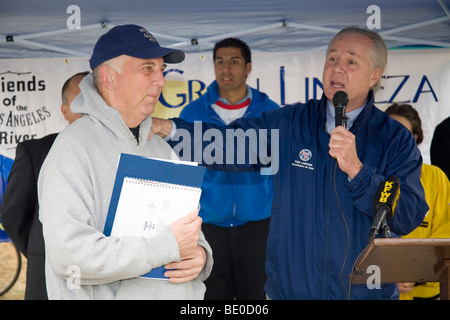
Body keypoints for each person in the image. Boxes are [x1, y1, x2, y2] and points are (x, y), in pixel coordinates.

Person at [151, 26, 428, 299]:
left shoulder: (394, 139)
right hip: (291, 293)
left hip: (366, 295)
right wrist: (168, 128)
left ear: (374, 76)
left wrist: (358, 170)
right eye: (332, 58)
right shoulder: (292, 124)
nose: (337, 68)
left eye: (351, 61)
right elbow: (228, 144)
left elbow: (408, 214)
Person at [37, 24, 212, 300]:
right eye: (147, 69)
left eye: (162, 70)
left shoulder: (162, 148)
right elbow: (70, 257)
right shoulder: (71, 150)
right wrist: (164, 247)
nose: (161, 81)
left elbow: (188, 230)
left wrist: (201, 256)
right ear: (108, 77)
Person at [179, 38, 279, 300]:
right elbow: (185, 173)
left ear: (248, 67)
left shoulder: (270, 112)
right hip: (207, 226)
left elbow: (276, 170)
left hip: (257, 226)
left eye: (234, 61)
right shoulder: (191, 113)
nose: (226, 68)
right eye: (220, 62)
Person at [0, 71, 87, 299]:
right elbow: (13, 216)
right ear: (64, 112)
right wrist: (43, 250)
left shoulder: (122, 152)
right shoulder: (35, 152)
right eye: (80, 103)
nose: (88, 110)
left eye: (96, 102)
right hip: (48, 280)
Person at [385, 103, 450, 300]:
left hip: (425, 291)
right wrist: (389, 275)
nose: (393, 138)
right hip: (378, 289)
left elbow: (446, 230)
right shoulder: (366, 177)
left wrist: (414, 273)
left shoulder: (435, 178)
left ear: (416, 138)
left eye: (401, 133)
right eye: (388, 132)